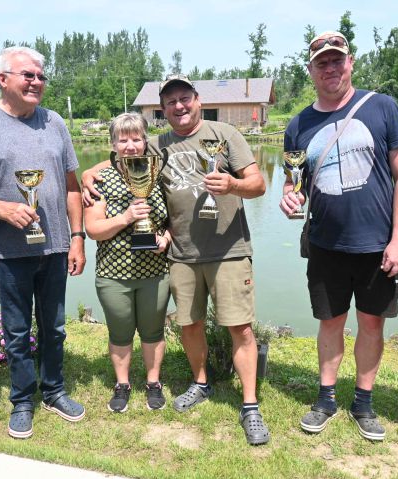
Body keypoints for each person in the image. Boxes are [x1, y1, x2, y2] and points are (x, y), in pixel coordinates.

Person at [83, 74, 270, 445]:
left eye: (185, 98)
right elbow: (120, 157)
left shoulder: (226, 135)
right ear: (162, 109)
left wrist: (232, 185)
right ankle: (201, 383)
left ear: (197, 100)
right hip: (181, 254)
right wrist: (88, 174)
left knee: (240, 327)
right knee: (190, 325)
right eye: (171, 102)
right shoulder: (157, 144)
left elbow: (259, 184)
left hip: (227, 250)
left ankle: (250, 406)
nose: (179, 106)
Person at [279, 31, 398, 441]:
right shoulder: (298, 124)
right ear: (311, 70)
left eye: (337, 60)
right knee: (330, 322)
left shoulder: (382, 108)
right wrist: (288, 197)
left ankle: (364, 402)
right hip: (325, 245)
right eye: (322, 63)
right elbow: (292, 182)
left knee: (372, 324)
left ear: (350, 62)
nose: (331, 68)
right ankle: (325, 399)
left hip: (377, 245)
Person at [0, 46, 86, 439]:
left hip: (56, 246)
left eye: (40, 76)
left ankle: (54, 390)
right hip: (8, 252)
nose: (35, 82)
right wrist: (3, 210)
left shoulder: (55, 123)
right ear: (3, 79)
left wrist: (78, 238)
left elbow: (71, 188)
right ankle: (23, 400)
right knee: (15, 330)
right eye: (27, 75)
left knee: (55, 327)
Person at [84, 112, 171, 412]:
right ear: (113, 143)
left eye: (136, 138)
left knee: (153, 331)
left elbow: (176, 217)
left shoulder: (159, 172)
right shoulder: (99, 179)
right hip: (113, 273)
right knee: (120, 333)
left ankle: (153, 383)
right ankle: (122, 384)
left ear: (146, 141)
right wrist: (125, 218)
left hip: (155, 271)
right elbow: (93, 229)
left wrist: (166, 238)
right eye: (123, 140)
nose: (131, 146)